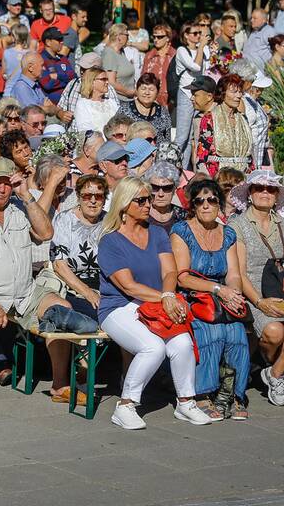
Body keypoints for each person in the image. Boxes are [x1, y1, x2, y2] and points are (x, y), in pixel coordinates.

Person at [0, 157, 89, 412]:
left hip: (24, 292)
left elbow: (46, 233)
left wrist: (27, 196)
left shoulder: (20, 209)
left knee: (61, 308)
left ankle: (60, 384)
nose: (2, 188)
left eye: (7, 183)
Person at [98, 175, 212, 430]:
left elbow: (170, 273)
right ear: (124, 205)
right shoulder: (110, 241)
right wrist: (165, 297)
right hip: (118, 306)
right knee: (153, 347)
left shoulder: (157, 232)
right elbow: (128, 286)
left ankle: (186, 402)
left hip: (156, 303)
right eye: (140, 200)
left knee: (182, 343)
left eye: (148, 199)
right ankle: (125, 405)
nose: (148, 204)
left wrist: (169, 295)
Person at [227, 171, 284, 407]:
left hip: (282, 289)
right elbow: (240, 273)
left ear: (276, 195)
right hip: (253, 292)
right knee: (273, 331)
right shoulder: (237, 225)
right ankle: (274, 366)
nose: (265, 193)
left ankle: (274, 374)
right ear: (250, 194)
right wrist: (260, 302)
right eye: (259, 188)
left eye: (271, 189)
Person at [171, 180, 250, 421]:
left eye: (212, 200)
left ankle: (234, 393)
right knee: (210, 334)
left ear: (220, 204)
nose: (206, 205)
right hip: (195, 295)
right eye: (200, 201)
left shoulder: (228, 233)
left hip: (221, 295)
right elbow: (182, 276)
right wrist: (218, 290)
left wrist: (233, 294)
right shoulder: (181, 231)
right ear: (193, 206)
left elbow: (234, 274)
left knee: (236, 334)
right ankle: (203, 393)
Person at [48, 174, 107, 322]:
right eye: (87, 196)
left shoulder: (110, 221)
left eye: (98, 197)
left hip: (105, 285)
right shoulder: (64, 220)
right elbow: (59, 265)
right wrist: (88, 293)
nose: (93, 201)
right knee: (97, 314)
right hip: (73, 286)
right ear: (78, 197)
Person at [194, 74, 253, 177]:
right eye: (234, 92)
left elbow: (250, 156)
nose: (238, 96)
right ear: (223, 93)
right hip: (219, 177)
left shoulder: (243, 119)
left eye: (240, 92)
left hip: (243, 177)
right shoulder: (210, 118)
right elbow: (202, 154)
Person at [173, 23, 211, 165]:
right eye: (195, 33)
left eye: (200, 33)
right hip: (185, 93)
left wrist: (207, 48)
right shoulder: (182, 50)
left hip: (199, 94)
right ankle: (170, 167)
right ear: (186, 35)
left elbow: (207, 67)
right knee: (181, 137)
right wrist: (201, 47)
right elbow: (195, 66)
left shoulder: (202, 49)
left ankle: (184, 170)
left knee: (191, 138)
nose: (198, 36)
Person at [120, 72, 172, 144]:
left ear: (157, 92)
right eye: (143, 88)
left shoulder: (163, 112)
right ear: (137, 90)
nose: (147, 92)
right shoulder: (125, 110)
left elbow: (167, 138)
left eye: (151, 89)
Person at [37, 27, 75, 105]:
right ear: (48, 42)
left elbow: (74, 78)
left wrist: (57, 75)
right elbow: (48, 85)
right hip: (52, 107)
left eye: (62, 39)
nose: (62, 42)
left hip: (68, 103)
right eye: (58, 39)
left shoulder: (63, 58)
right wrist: (66, 79)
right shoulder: (40, 59)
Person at [141, 23, 176, 108]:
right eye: (154, 37)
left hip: (171, 100)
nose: (156, 40)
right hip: (151, 99)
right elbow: (143, 78)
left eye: (160, 37)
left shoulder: (175, 55)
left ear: (168, 38)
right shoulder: (149, 56)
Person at [71, 67, 115, 134]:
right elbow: (85, 130)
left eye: (107, 79)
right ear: (92, 82)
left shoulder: (112, 102)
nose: (107, 82)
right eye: (103, 79)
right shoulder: (83, 104)